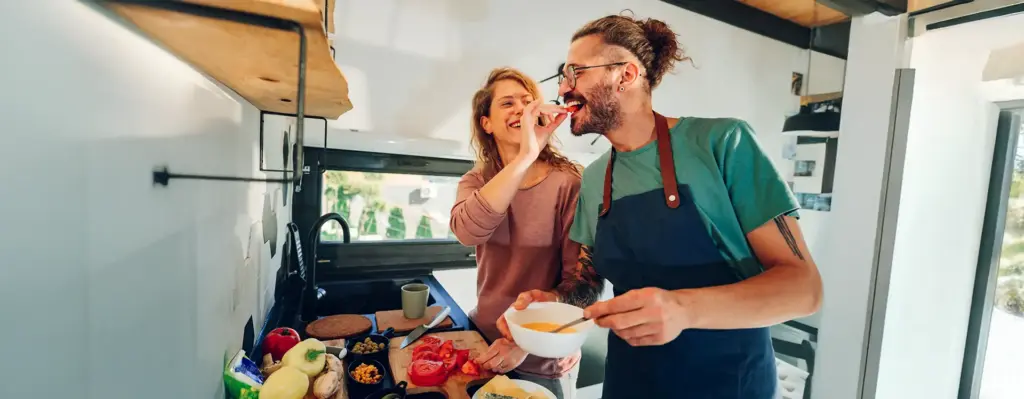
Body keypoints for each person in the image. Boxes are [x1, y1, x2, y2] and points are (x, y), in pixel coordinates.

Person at [498, 14, 824, 398]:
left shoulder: (722, 143)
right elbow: (587, 281)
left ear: (626, 75)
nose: (564, 89)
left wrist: (683, 309)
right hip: (630, 381)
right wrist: (554, 300)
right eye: (563, 76)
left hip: (725, 381)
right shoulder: (596, 177)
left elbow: (804, 288)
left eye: (575, 73)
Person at [449, 67, 582, 398]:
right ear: (487, 124)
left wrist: (525, 341)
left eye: (528, 101)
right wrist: (524, 158)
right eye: (507, 103)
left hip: (542, 357)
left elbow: (579, 283)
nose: (521, 109)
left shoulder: (569, 183)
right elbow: (467, 232)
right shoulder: (476, 181)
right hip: (484, 340)